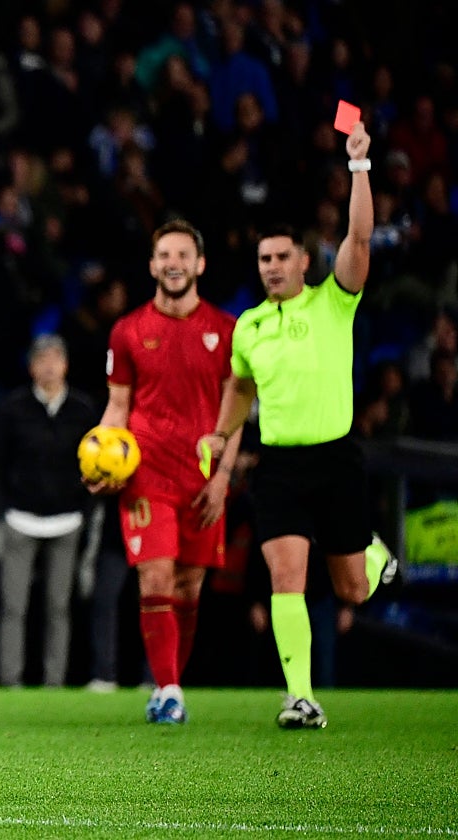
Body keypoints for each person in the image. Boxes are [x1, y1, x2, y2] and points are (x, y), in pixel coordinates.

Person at [197, 120, 396, 730]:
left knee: (354, 591)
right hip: (279, 465)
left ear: (305, 261)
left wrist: (360, 166)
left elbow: (359, 239)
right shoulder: (249, 326)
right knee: (286, 576)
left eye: (283, 256)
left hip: (336, 459)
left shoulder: (333, 299)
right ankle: (301, 698)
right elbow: (239, 386)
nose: (273, 266)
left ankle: (374, 549)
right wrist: (220, 434)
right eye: (264, 259)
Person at [91, 219, 240, 724]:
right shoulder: (127, 331)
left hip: (202, 478)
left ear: (199, 264)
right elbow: (117, 407)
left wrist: (223, 479)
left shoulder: (226, 331)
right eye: (163, 255)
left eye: (182, 255)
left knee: (188, 588)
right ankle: (170, 689)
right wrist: (99, 456)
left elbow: (236, 411)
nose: (172, 263)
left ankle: (167, 681)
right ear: (152, 265)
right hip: (146, 472)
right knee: (154, 575)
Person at [0, 334, 98, 688]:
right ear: (31, 367)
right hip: (20, 518)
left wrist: (85, 510)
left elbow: (95, 466)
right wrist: (1, 510)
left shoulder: (83, 409)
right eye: (41, 360)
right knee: (13, 607)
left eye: (55, 360)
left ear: (65, 365)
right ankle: (10, 682)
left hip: (66, 520)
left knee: (58, 608)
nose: (49, 367)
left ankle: (54, 683)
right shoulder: (12, 408)